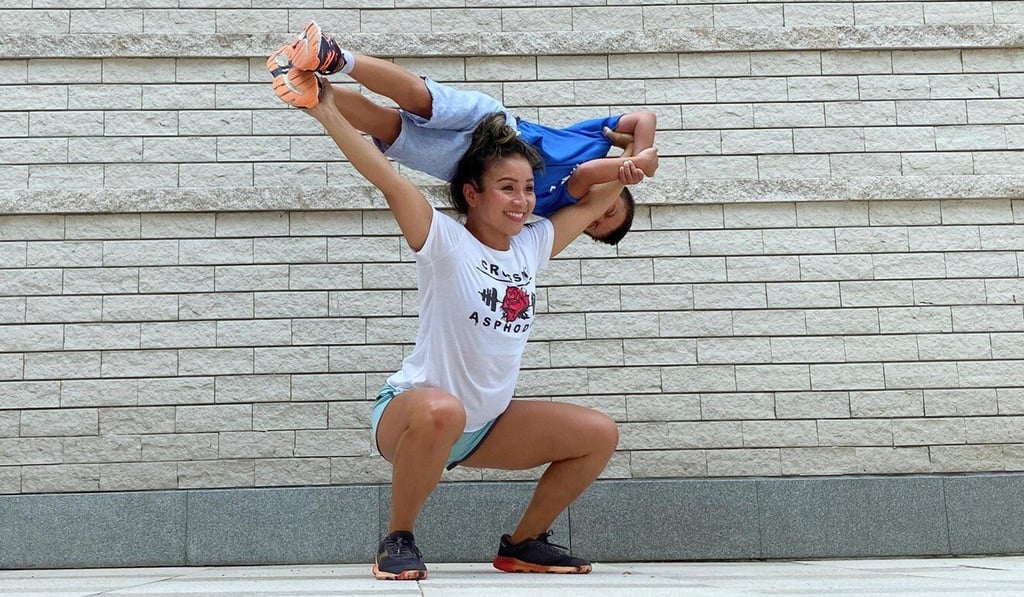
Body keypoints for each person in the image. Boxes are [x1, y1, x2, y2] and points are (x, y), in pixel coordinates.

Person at [292, 75, 656, 580]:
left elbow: (596, 203)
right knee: (443, 408)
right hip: (413, 414)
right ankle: (398, 539)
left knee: (598, 434)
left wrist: (636, 161)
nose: (522, 200)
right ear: (473, 193)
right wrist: (325, 109)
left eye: (528, 188)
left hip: (484, 426)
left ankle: (525, 544)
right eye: (507, 188)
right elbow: (384, 175)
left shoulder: (531, 248)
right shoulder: (442, 240)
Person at [267, 21, 657, 245]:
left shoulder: (551, 207)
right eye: (608, 210)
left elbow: (589, 177)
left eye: (591, 225)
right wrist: (641, 152)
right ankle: (335, 56)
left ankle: (314, 89)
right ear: (619, 195)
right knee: (424, 98)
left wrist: (628, 163)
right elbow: (643, 117)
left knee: (391, 128)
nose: (591, 215)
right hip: (500, 127)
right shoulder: (599, 140)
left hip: (467, 165)